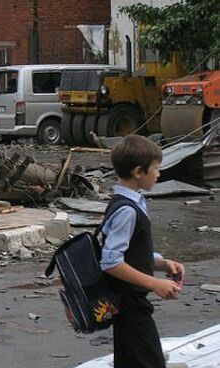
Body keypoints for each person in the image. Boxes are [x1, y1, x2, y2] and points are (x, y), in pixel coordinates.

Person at [100, 135, 185, 368]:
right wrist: (154, 283)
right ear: (139, 172)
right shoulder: (127, 210)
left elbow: (130, 253)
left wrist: (162, 263)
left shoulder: (133, 201)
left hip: (129, 303)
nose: (159, 173)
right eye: (156, 168)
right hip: (130, 305)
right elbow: (111, 262)